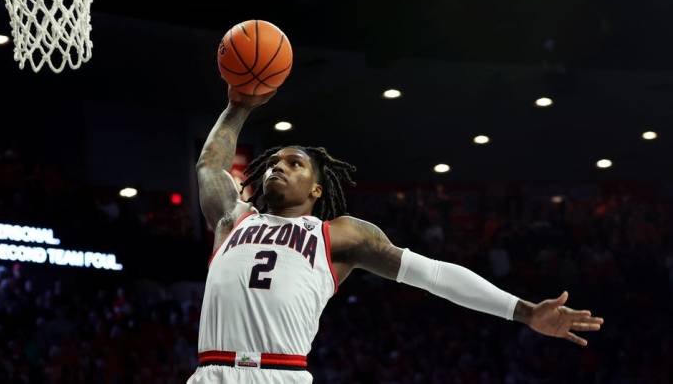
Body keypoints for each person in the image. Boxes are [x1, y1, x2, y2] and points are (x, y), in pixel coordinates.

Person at [187, 87, 604, 383]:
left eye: (294, 163)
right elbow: (209, 167)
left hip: (282, 373)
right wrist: (237, 107)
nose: (279, 166)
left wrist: (527, 311)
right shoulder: (233, 219)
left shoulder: (338, 236)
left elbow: (435, 274)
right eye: (275, 161)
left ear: (316, 189)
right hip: (209, 371)